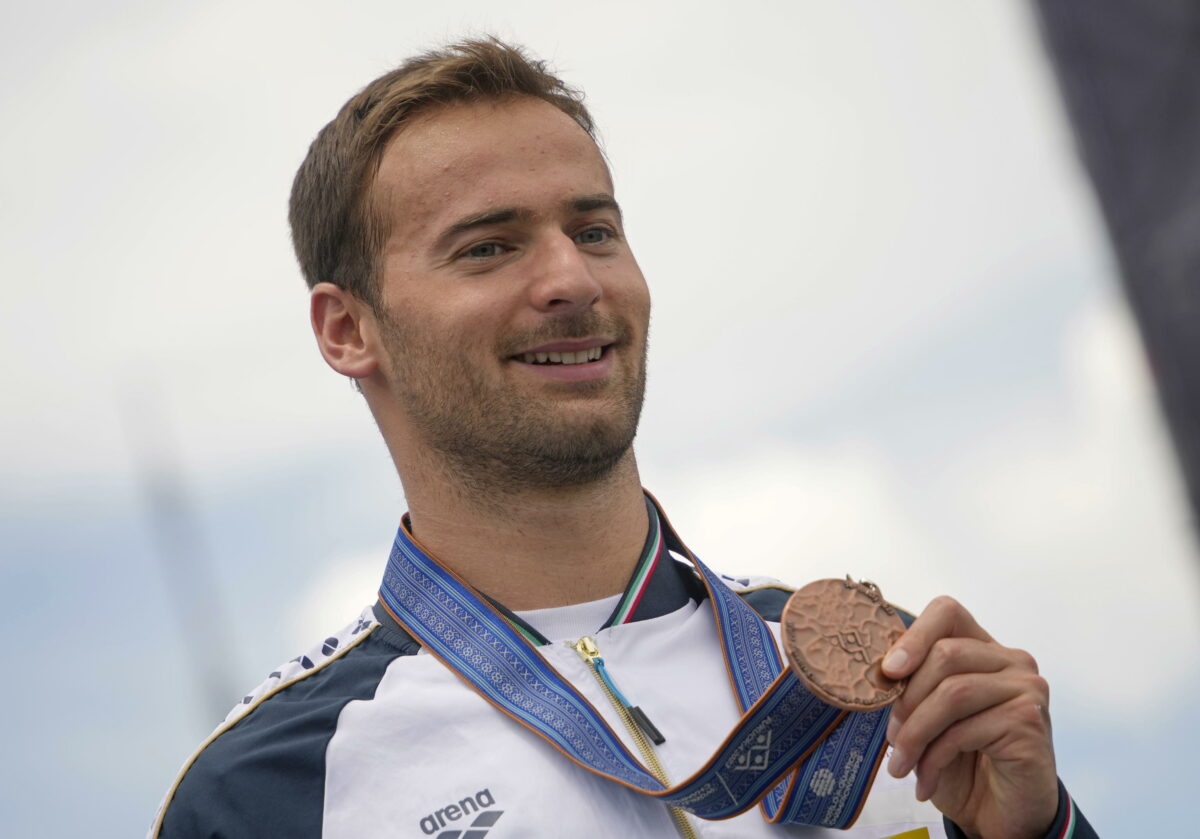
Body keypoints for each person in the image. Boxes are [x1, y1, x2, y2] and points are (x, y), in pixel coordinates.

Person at [149, 39, 1097, 839]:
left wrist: (1032, 830)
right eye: (489, 245)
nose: (570, 277)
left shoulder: (887, 687)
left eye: (595, 230)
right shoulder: (271, 789)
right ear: (347, 330)